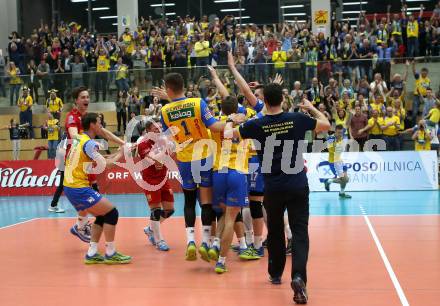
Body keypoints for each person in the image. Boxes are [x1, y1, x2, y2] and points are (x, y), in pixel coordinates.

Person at [226, 83, 330, 304]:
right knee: (300, 232)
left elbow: (228, 135)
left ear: (265, 100)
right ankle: (299, 276)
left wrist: (231, 119)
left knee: (274, 231)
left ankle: (275, 273)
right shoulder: (297, 119)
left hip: (273, 187)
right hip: (297, 184)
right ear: (282, 99)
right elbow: (326, 125)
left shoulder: (257, 124)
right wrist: (312, 108)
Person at [153, 73, 231, 262]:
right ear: (184, 86)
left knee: (188, 200)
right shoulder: (198, 103)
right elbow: (214, 126)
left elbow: (168, 137)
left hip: (185, 160)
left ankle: (190, 242)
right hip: (204, 156)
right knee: (205, 202)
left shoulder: (165, 111)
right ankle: (205, 242)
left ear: (169, 89)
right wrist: (231, 122)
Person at [64, 112, 131, 264]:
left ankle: (92, 253)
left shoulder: (80, 139)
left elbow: (95, 161)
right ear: (93, 125)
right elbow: (106, 165)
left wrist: (117, 152)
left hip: (70, 187)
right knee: (112, 213)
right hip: (78, 188)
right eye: (100, 122)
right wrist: (123, 152)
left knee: (102, 215)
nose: (102, 125)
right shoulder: (89, 144)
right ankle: (110, 252)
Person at [137, 118, 175, 252]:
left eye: (160, 128)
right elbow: (154, 161)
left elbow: (170, 154)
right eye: (155, 129)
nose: (159, 131)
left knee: (170, 209)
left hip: (163, 179)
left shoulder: (164, 141)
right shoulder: (143, 144)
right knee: (156, 210)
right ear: (148, 131)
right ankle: (159, 240)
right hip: (150, 181)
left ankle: (150, 229)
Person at [323, 125, 352, 199]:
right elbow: (331, 150)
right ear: (335, 131)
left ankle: (341, 192)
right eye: (338, 133)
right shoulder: (331, 139)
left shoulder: (341, 135)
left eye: (341, 133)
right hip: (334, 162)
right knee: (344, 179)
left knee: (346, 179)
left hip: (340, 160)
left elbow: (346, 127)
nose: (340, 134)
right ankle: (328, 181)